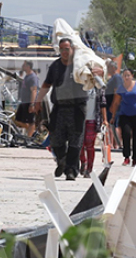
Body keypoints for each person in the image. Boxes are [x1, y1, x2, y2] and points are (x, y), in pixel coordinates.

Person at [31, 38, 102, 181]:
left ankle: (71, 171)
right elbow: (46, 84)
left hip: (77, 108)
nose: (64, 51)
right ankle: (62, 160)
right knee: (56, 139)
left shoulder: (81, 64)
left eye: (67, 48)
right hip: (59, 107)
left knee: (75, 141)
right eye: (62, 49)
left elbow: (101, 70)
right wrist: (38, 100)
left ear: (72, 49)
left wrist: (98, 71)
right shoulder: (55, 66)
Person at [80, 84, 107, 178]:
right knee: (79, 144)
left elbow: (103, 105)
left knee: (89, 145)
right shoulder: (79, 86)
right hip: (79, 119)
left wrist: (105, 119)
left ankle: (89, 169)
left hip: (92, 119)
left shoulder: (98, 88)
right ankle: (83, 162)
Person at [15, 61, 39, 137]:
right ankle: (30, 130)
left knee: (31, 121)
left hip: (29, 102)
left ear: (28, 66)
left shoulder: (33, 77)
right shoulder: (27, 76)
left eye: (24, 65)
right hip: (24, 102)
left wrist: (32, 104)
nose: (22, 66)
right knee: (18, 120)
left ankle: (29, 137)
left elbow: (34, 90)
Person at [103, 60, 121, 148]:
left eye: (108, 67)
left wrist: (113, 105)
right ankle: (113, 144)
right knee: (112, 124)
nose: (107, 69)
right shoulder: (113, 77)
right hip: (109, 105)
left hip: (112, 106)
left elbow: (117, 92)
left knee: (113, 124)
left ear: (113, 68)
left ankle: (115, 144)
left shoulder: (117, 77)